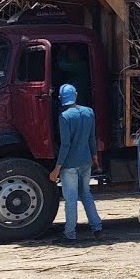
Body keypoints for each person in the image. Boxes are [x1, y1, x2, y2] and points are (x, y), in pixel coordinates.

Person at [51, 84, 102, 242]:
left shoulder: (64, 117)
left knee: (71, 199)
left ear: (60, 98)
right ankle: (97, 228)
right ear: (76, 94)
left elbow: (65, 145)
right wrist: (95, 157)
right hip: (86, 161)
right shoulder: (89, 112)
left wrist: (56, 169)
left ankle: (70, 234)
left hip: (69, 165)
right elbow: (91, 138)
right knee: (86, 194)